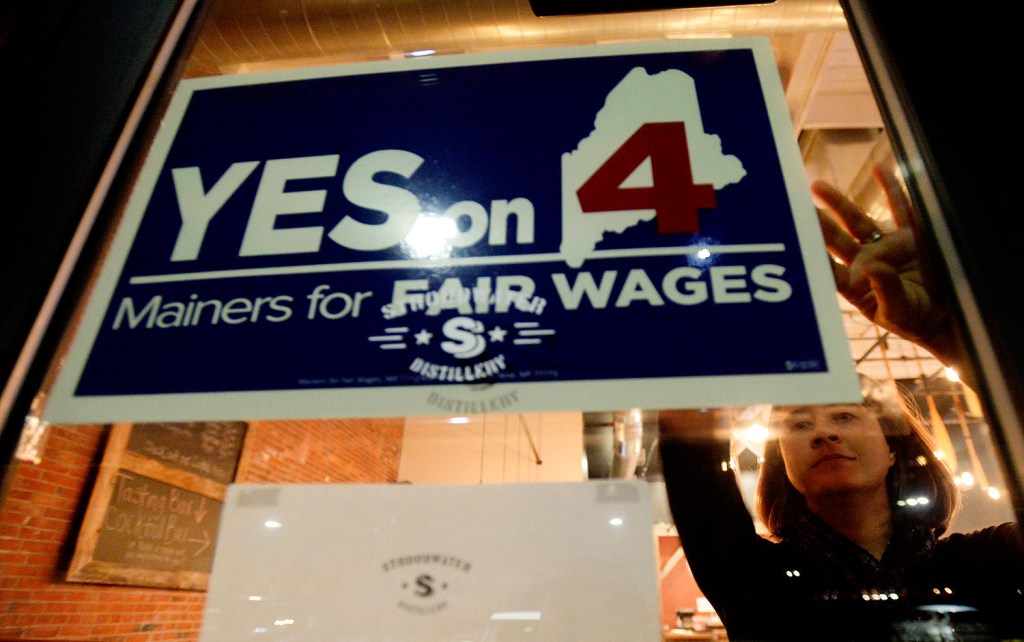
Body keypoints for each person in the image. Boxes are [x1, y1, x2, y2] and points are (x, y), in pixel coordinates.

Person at [659, 168, 1024, 641]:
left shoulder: (988, 561)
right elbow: (691, 455)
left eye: (845, 415)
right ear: (781, 463)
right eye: (797, 425)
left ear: (894, 447)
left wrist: (967, 340)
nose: (821, 432)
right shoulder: (753, 577)